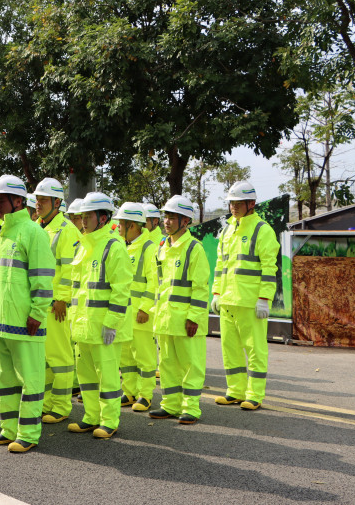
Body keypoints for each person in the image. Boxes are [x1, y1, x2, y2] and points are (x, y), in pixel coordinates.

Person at [0, 174, 55, 454]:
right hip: (1, 322)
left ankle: (28, 434)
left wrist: (37, 312)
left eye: (1, 200)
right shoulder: (0, 234)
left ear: (17, 201)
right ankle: (8, 430)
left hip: (26, 322)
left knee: (31, 379)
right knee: (5, 379)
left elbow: (43, 277)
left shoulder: (33, 232)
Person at [66, 192, 132, 439]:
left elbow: (121, 290)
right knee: (86, 376)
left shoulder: (114, 247)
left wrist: (111, 323)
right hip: (83, 326)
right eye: (82, 216)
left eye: (88, 216)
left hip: (104, 326)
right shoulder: (83, 247)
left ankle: (109, 420)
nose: (83, 221)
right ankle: (91, 416)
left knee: (108, 377)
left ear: (103, 218)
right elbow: (78, 290)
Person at [212, 181, 280, 411]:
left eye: (238, 203)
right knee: (230, 350)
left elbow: (269, 268)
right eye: (231, 203)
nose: (234, 207)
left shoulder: (262, 230)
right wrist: (216, 293)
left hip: (250, 302)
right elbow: (220, 265)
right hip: (228, 300)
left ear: (251, 204)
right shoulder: (227, 230)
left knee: (255, 350)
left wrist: (264, 299)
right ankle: (235, 391)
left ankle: (254, 394)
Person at [149, 195, 210, 425]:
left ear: (185, 221)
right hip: (166, 319)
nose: (166, 221)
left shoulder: (195, 248)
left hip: (186, 320)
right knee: (167, 365)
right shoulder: (162, 247)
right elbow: (160, 285)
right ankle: (170, 405)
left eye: (172, 217)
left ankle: (191, 408)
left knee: (190, 365)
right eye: (166, 216)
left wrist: (194, 317)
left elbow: (201, 287)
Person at [33, 178, 80, 424]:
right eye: (37, 199)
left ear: (57, 202)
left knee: (60, 358)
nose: (38, 204)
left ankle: (61, 406)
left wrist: (62, 298)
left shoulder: (67, 230)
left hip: (55, 306)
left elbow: (70, 269)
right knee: (43, 358)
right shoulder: (36, 227)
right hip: (39, 304)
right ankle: (46, 403)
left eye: (43, 200)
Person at [115, 202, 158, 412]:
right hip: (123, 313)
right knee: (125, 356)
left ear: (132, 225)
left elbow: (154, 282)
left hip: (140, 314)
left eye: (121, 224)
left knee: (144, 357)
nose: (118, 227)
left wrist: (145, 308)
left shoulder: (149, 248)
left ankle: (145, 395)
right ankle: (130, 391)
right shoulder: (122, 246)